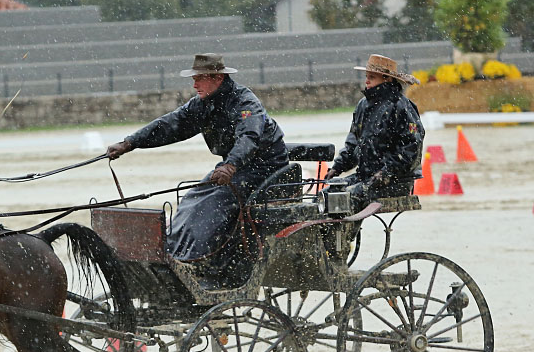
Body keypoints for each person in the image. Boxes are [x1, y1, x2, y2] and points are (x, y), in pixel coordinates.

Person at [106, 53, 288, 285]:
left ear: (218, 78)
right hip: (233, 168)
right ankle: (174, 254)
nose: (194, 84)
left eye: (200, 78)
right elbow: (169, 124)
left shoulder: (244, 102)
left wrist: (230, 164)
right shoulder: (202, 104)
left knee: (215, 204)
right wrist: (129, 143)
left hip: (265, 169)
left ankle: (205, 263)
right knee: (192, 198)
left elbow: (249, 136)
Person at [327, 54, 424, 201]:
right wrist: (337, 167)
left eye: (372, 77)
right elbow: (353, 142)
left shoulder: (401, 106)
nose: (366, 80)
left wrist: (387, 173)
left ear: (387, 79)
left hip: (397, 181)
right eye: (367, 76)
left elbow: (412, 147)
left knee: (344, 199)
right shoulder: (363, 105)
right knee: (327, 193)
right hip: (366, 176)